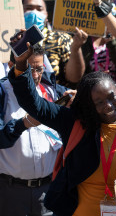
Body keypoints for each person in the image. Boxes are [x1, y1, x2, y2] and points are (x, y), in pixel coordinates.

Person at [8, 43, 116, 216]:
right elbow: (33, 104)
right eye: (99, 102)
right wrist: (21, 65)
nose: (108, 106)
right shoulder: (74, 124)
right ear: (88, 106)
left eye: (112, 97)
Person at [0, 46, 69, 216]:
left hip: (48, 190)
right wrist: (24, 124)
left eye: (39, 69)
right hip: (11, 192)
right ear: (11, 65)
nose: (35, 76)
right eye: (29, 69)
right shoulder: (3, 94)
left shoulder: (52, 92)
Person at [22, 0, 86, 86]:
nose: (34, 12)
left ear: (46, 15)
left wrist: (76, 49)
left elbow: (74, 78)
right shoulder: (9, 39)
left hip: (53, 98)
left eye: (39, 9)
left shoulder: (61, 39)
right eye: (29, 8)